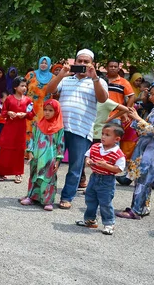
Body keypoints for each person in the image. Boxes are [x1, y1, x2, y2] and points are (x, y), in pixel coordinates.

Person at [44, 49, 108, 210]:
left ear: (92, 64)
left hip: (82, 130)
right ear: (75, 62)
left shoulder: (98, 81)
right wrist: (61, 74)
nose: (82, 64)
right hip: (58, 128)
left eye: (86, 62)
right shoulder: (66, 80)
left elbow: (103, 99)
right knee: (50, 162)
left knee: (75, 166)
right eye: (79, 61)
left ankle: (66, 197)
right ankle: (44, 194)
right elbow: (50, 90)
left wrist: (94, 78)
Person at [116, 83, 154, 219]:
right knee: (142, 180)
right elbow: (143, 127)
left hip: (152, 152)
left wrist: (137, 118)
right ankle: (143, 207)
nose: (150, 96)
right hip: (145, 149)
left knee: (143, 180)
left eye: (153, 94)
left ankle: (136, 210)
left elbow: (153, 130)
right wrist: (135, 118)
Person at [75, 124, 126, 235]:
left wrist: (106, 166)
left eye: (107, 135)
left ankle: (109, 223)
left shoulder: (118, 154)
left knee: (105, 202)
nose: (103, 136)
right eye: (103, 133)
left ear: (117, 139)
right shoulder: (96, 146)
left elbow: (119, 169)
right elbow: (88, 156)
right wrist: (88, 161)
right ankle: (90, 220)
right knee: (90, 199)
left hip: (107, 180)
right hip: (94, 177)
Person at [20, 99, 65, 211]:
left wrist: (58, 160)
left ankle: (47, 201)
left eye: (50, 110)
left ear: (57, 112)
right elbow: (33, 139)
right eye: (45, 110)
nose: (47, 112)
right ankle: (32, 197)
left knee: (48, 179)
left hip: (50, 159)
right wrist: (30, 152)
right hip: (36, 156)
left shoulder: (59, 128)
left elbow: (60, 144)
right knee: (34, 177)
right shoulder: (38, 124)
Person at [0, 77, 34, 183]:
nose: (24, 88)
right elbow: (3, 112)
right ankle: (2, 172)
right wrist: (9, 113)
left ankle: (18, 173)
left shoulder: (28, 100)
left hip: (20, 129)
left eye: (25, 86)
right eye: (22, 85)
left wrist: (25, 114)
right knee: (5, 150)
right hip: (9, 128)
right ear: (15, 87)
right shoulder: (9, 99)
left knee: (19, 150)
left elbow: (31, 114)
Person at [25, 56, 54, 143]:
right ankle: (25, 152)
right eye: (42, 62)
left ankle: (36, 152)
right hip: (29, 107)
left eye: (46, 63)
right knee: (27, 128)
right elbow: (23, 88)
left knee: (40, 129)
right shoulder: (31, 75)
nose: (43, 65)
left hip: (45, 109)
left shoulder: (53, 78)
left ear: (49, 65)